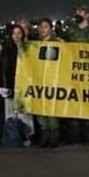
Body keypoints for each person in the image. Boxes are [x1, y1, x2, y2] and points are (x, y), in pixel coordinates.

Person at [63, 3, 89, 145]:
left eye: (81, 12)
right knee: (74, 103)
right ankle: (74, 136)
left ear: (87, 15)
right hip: (73, 72)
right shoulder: (71, 30)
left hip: (88, 73)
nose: (77, 14)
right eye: (77, 11)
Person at [0, 24, 33, 145]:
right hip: (10, 85)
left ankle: (28, 137)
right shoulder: (6, 49)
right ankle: (12, 137)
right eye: (14, 33)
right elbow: (1, 69)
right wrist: (2, 85)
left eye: (19, 33)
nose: (17, 36)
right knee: (10, 112)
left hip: (25, 86)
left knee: (25, 113)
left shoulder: (29, 48)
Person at [33, 18, 63, 147]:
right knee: (40, 109)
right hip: (39, 80)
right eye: (41, 27)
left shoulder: (57, 42)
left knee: (51, 110)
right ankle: (44, 137)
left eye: (45, 26)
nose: (43, 29)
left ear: (50, 28)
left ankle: (54, 138)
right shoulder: (35, 43)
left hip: (52, 81)